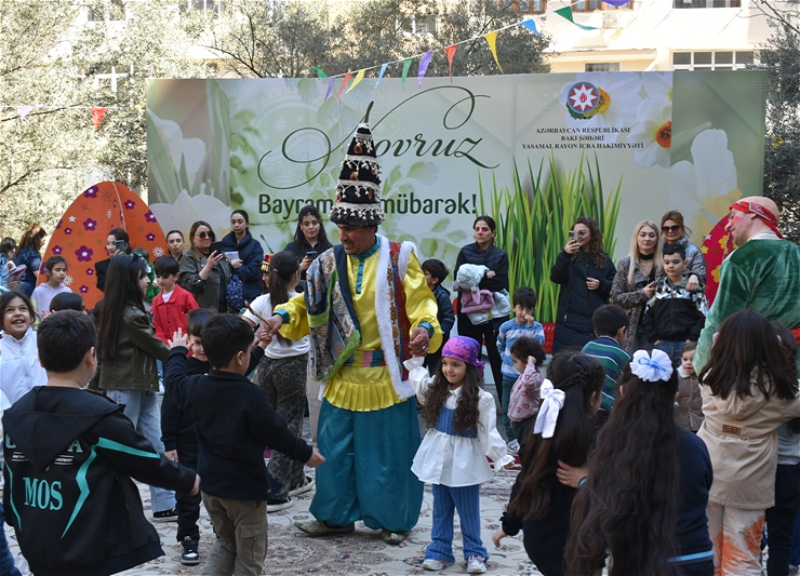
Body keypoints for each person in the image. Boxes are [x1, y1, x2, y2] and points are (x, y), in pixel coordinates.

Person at [263, 123, 442, 544]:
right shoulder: (326, 262)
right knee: (335, 451)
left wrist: (425, 331)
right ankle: (334, 515)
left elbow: (423, 307)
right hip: (341, 378)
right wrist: (280, 318)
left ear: (371, 226)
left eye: (351, 229)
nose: (342, 235)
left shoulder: (401, 258)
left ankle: (394, 521)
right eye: (339, 226)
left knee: (387, 457)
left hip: (385, 378)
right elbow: (307, 305)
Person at [3, 310, 199, 576]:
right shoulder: (98, 416)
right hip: (87, 544)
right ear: (91, 356)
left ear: (40, 359)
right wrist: (188, 480)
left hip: (35, 539)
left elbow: (12, 478)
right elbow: (142, 459)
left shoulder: (15, 415)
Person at [166, 314, 325, 576]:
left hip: (211, 489)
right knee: (250, 560)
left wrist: (177, 351)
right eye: (250, 352)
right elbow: (278, 433)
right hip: (244, 492)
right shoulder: (251, 396)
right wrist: (306, 453)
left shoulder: (194, 387)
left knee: (226, 544)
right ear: (240, 357)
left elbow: (172, 381)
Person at [566, 349, 714, 576]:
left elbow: (609, 505)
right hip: (696, 560)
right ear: (674, 395)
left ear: (623, 391)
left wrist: (586, 482)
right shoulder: (695, 445)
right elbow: (703, 489)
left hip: (640, 562)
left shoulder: (614, 446)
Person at [697, 310, 800, 575]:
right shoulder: (781, 391)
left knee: (708, 552)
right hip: (749, 483)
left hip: (708, 472)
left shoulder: (709, 380)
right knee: (742, 557)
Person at [405, 336, 514, 574]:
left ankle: (475, 552)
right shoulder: (437, 388)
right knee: (440, 508)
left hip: (465, 462)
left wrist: (500, 456)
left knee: (468, 510)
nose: (448, 370)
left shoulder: (481, 399)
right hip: (439, 458)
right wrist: (416, 360)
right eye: (445, 363)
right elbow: (419, 383)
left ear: (469, 367)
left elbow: (488, 431)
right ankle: (440, 550)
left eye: (456, 364)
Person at [493, 352, 605, 576]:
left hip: (539, 538)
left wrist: (509, 525)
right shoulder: (601, 434)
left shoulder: (538, 427)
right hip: (581, 540)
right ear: (594, 397)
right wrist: (587, 479)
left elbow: (525, 480)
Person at [89, 254, 177, 522]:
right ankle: (108, 503)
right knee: (121, 447)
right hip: (125, 388)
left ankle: (164, 502)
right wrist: (181, 354)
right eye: (143, 276)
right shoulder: (130, 316)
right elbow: (156, 347)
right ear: (130, 281)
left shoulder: (120, 311)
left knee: (154, 443)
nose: (148, 280)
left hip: (141, 386)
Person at [695, 197, 800, 373]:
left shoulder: (742, 258)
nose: (727, 226)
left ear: (754, 213)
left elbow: (720, 320)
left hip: (759, 369)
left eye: (733, 215)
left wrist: (703, 365)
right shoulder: (797, 253)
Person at [242, 251, 312, 512]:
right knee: (288, 426)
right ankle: (276, 489)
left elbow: (241, 327)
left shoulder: (261, 301)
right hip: (293, 368)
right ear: (297, 275)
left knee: (267, 426)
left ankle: (295, 479)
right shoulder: (300, 302)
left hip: (266, 365)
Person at [454, 215, 509, 395]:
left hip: (495, 314)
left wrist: (474, 281)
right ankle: (470, 399)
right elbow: (460, 280)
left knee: (497, 356)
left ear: (493, 233)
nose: (479, 232)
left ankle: (505, 404)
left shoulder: (501, 255)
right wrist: (485, 276)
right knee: (470, 356)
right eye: (477, 228)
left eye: (484, 229)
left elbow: (499, 283)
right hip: (469, 313)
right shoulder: (465, 252)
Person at [550, 216, 616, 353]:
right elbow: (556, 277)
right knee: (565, 365)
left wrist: (601, 285)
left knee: (589, 366)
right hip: (568, 322)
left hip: (593, 322)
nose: (579, 236)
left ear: (592, 234)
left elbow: (615, 287)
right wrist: (565, 254)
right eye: (575, 232)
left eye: (583, 232)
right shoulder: (567, 257)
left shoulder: (605, 260)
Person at [765, 321, 800, 576]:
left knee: (749, 532)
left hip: (758, 465)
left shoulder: (756, 389)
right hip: (790, 469)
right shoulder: (795, 387)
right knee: (781, 537)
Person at [642, 244, 709, 364]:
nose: (671, 266)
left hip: (687, 346)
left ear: (685, 263)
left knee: (684, 379)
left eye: (675, 262)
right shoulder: (658, 288)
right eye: (667, 262)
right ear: (663, 264)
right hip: (662, 344)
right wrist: (655, 340)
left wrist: (691, 339)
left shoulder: (694, 288)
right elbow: (648, 315)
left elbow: (703, 316)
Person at [497, 286, 545, 453]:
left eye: (528, 308)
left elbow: (539, 345)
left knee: (528, 408)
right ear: (514, 307)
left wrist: (531, 327)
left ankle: (527, 436)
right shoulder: (506, 327)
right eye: (521, 308)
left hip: (528, 379)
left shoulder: (537, 327)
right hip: (509, 375)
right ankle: (512, 440)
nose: (524, 312)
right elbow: (500, 344)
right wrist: (505, 357)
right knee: (507, 408)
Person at [610, 219, 662, 353]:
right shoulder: (625, 264)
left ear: (657, 239)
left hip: (655, 329)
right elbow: (615, 296)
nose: (647, 239)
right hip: (629, 328)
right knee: (629, 370)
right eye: (643, 234)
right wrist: (642, 294)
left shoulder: (664, 265)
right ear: (636, 238)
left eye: (652, 235)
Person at [581, 304, 631, 426]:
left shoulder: (586, 347)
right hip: (608, 413)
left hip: (584, 408)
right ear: (622, 330)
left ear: (596, 332)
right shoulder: (624, 356)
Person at [0, 291, 47, 405]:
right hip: (11, 415)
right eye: (10, 310)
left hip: (45, 411)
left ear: (31, 317)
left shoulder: (43, 341)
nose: (17, 313)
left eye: (23, 308)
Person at [179, 221, 231, 312]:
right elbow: (192, 287)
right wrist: (208, 267)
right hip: (201, 314)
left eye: (209, 234)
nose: (207, 237)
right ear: (193, 238)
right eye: (202, 235)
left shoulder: (219, 255)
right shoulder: (188, 258)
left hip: (223, 313)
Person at [506, 336, 547, 449]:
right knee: (523, 447)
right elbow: (515, 399)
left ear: (526, 361)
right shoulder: (524, 376)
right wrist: (513, 418)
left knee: (527, 449)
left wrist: (530, 364)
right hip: (520, 421)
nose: (514, 365)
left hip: (529, 422)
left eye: (516, 361)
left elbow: (527, 382)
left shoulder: (535, 378)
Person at [220, 209, 265, 305]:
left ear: (247, 224)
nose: (236, 225)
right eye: (233, 222)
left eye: (240, 222)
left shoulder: (255, 246)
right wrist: (230, 265)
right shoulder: (224, 244)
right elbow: (219, 270)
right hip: (227, 297)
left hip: (250, 295)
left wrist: (234, 268)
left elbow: (255, 272)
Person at [284, 204, 334, 291]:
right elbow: (282, 274)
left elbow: (335, 277)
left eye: (314, 223)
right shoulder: (291, 248)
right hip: (297, 296)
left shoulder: (329, 249)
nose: (311, 227)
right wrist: (300, 267)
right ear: (301, 226)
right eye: (306, 224)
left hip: (323, 297)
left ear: (319, 225)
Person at [151, 255, 199, 345]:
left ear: (176, 276)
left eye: (165, 276)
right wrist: (167, 346)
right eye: (158, 276)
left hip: (188, 347)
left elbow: (196, 322)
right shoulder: (155, 301)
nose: (160, 280)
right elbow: (156, 328)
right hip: (166, 351)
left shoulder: (186, 296)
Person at [421, 258, 455, 372]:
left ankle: (437, 389)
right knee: (415, 370)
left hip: (436, 343)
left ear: (434, 280)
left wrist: (439, 333)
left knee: (435, 372)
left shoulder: (442, 296)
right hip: (419, 340)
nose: (420, 276)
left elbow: (449, 318)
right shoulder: (416, 292)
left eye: (424, 274)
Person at [661, 210, 706, 293]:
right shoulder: (657, 250)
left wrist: (694, 275)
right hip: (661, 298)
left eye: (675, 227)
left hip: (686, 297)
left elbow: (701, 275)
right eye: (666, 228)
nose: (670, 231)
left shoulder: (694, 250)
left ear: (682, 228)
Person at [13, 222, 47, 297]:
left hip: (18, 290)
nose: (43, 243)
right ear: (38, 239)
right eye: (43, 240)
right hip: (29, 291)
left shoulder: (18, 252)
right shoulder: (32, 255)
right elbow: (40, 276)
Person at [676, 342, 703, 432]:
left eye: (693, 359)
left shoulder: (703, 377)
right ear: (681, 360)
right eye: (685, 359)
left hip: (701, 424)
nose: (688, 363)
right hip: (681, 424)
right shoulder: (676, 377)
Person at [95, 228, 131, 292]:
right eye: (108, 243)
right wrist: (115, 264)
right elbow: (104, 286)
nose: (110, 247)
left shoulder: (134, 262)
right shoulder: (101, 266)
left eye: (114, 243)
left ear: (125, 245)